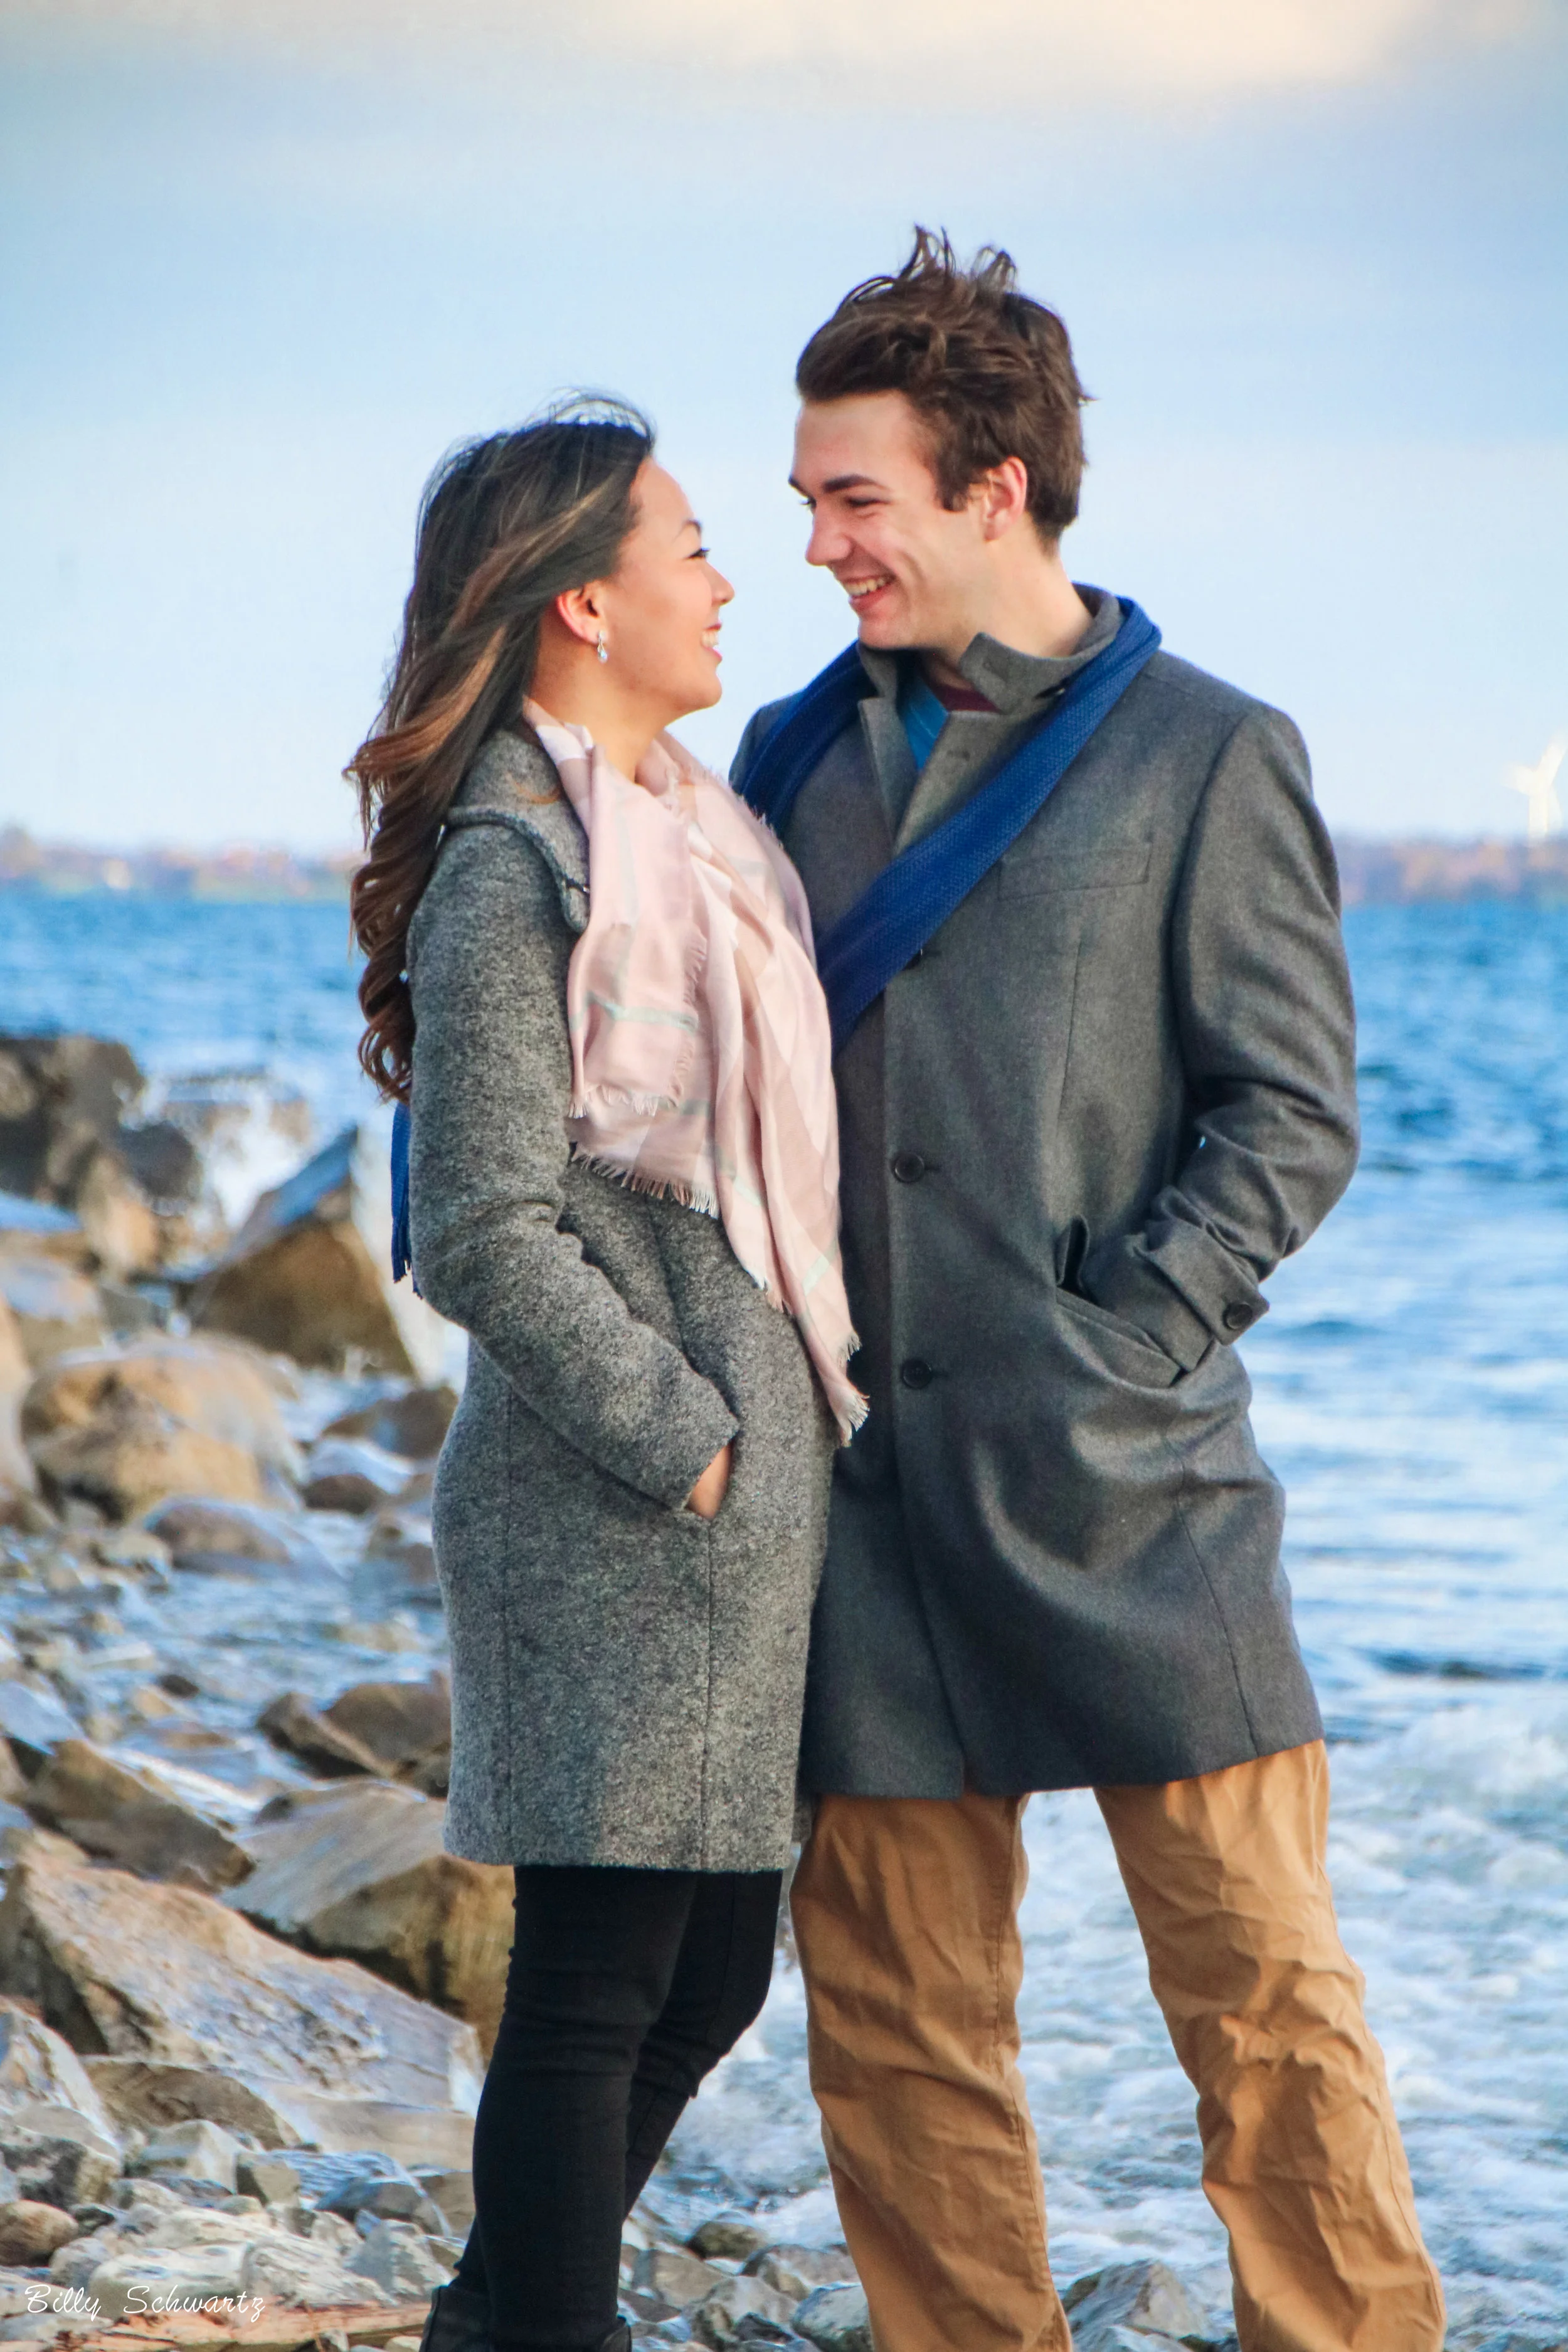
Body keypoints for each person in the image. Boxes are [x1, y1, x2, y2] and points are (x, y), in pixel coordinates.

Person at [731, 234, 1446, 2352]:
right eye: (799, 502)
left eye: (849, 497)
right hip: (863, 1499)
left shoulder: (1212, 753)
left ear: (995, 490)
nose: (815, 542)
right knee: (895, 2017)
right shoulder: (784, 755)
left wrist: (1119, 1330)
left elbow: (1291, 1114)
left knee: (1261, 1986)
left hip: (1130, 1481)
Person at [349, 399, 858, 2352]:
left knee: (710, 1964)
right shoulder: (513, 861)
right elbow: (477, 1223)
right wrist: (690, 1445)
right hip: (612, 1496)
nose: (726, 581)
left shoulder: (701, 842)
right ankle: (545, 2325)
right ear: (584, 598)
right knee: (595, 1976)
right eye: (693, 545)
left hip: (719, 1514)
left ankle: (501, 2306)